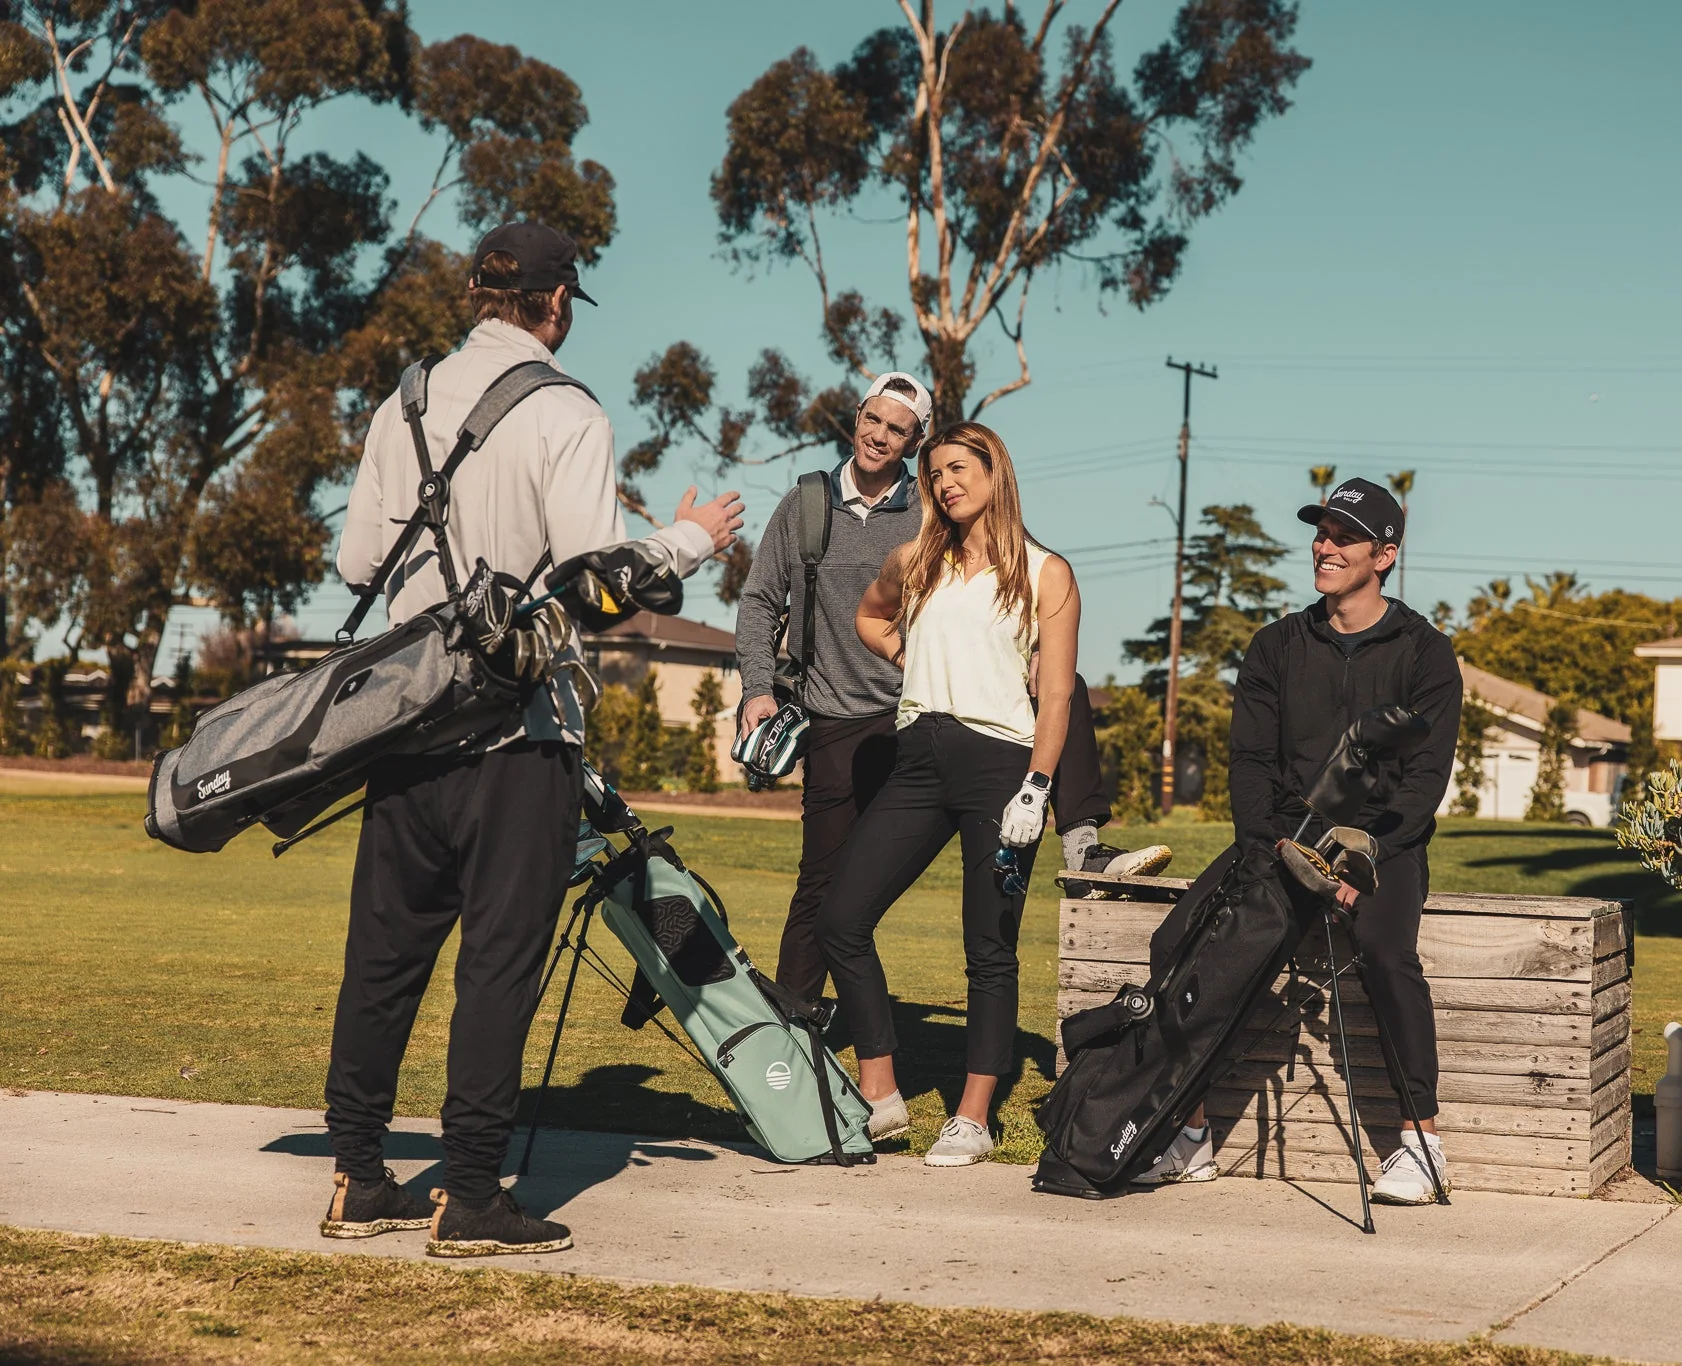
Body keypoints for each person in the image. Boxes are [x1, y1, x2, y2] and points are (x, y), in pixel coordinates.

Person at [325, 221, 744, 1255]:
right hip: (518, 736)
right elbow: (593, 585)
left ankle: (357, 1177)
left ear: (478, 292)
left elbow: (353, 562)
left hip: (405, 724)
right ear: (557, 302)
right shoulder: (567, 410)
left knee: (382, 959)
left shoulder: (404, 398)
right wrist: (688, 537)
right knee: (497, 966)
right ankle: (470, 1197)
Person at [733, 374, 1167, 1022]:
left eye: (898, 430)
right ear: (855, 418)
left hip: (927, 716)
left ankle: (1081, 839)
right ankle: (793, 1022)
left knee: (1063, 684)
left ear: (913, 445)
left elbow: (1015, 564)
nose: (880, 435)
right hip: (838, 717)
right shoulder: (806, 505)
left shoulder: (935, 503)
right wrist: (758, 686)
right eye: (873, 420)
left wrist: (1037, 643)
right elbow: (762, 599)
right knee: (822, 880)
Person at [1133, 477, 1461, 1202]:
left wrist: (1360, 856)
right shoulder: (1277, 644)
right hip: (1284, 841)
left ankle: (1422, 1144)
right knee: (1179, 945)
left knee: (1384, 951)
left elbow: (1423, 781)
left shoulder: (1424, 654)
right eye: (1321, 532)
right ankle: (1189, 1136)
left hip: (1383, 848)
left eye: (1343, 537)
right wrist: (1277, 849)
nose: (1324, 546)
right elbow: (1248, 766)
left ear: (1386, 554)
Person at [816, 422, 1077, 1168]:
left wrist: (1037, 788)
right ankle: (880, 1092)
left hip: (1001, 766)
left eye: (959, 469)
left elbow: (1055, 697)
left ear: (996, 471)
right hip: (918, 756)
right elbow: (869, 616)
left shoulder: (1044, 571)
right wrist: (912, 651)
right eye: (935, 475)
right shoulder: (916, 560)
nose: (945, 484)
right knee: (842, 916)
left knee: (987, 947)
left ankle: (971, 1116)